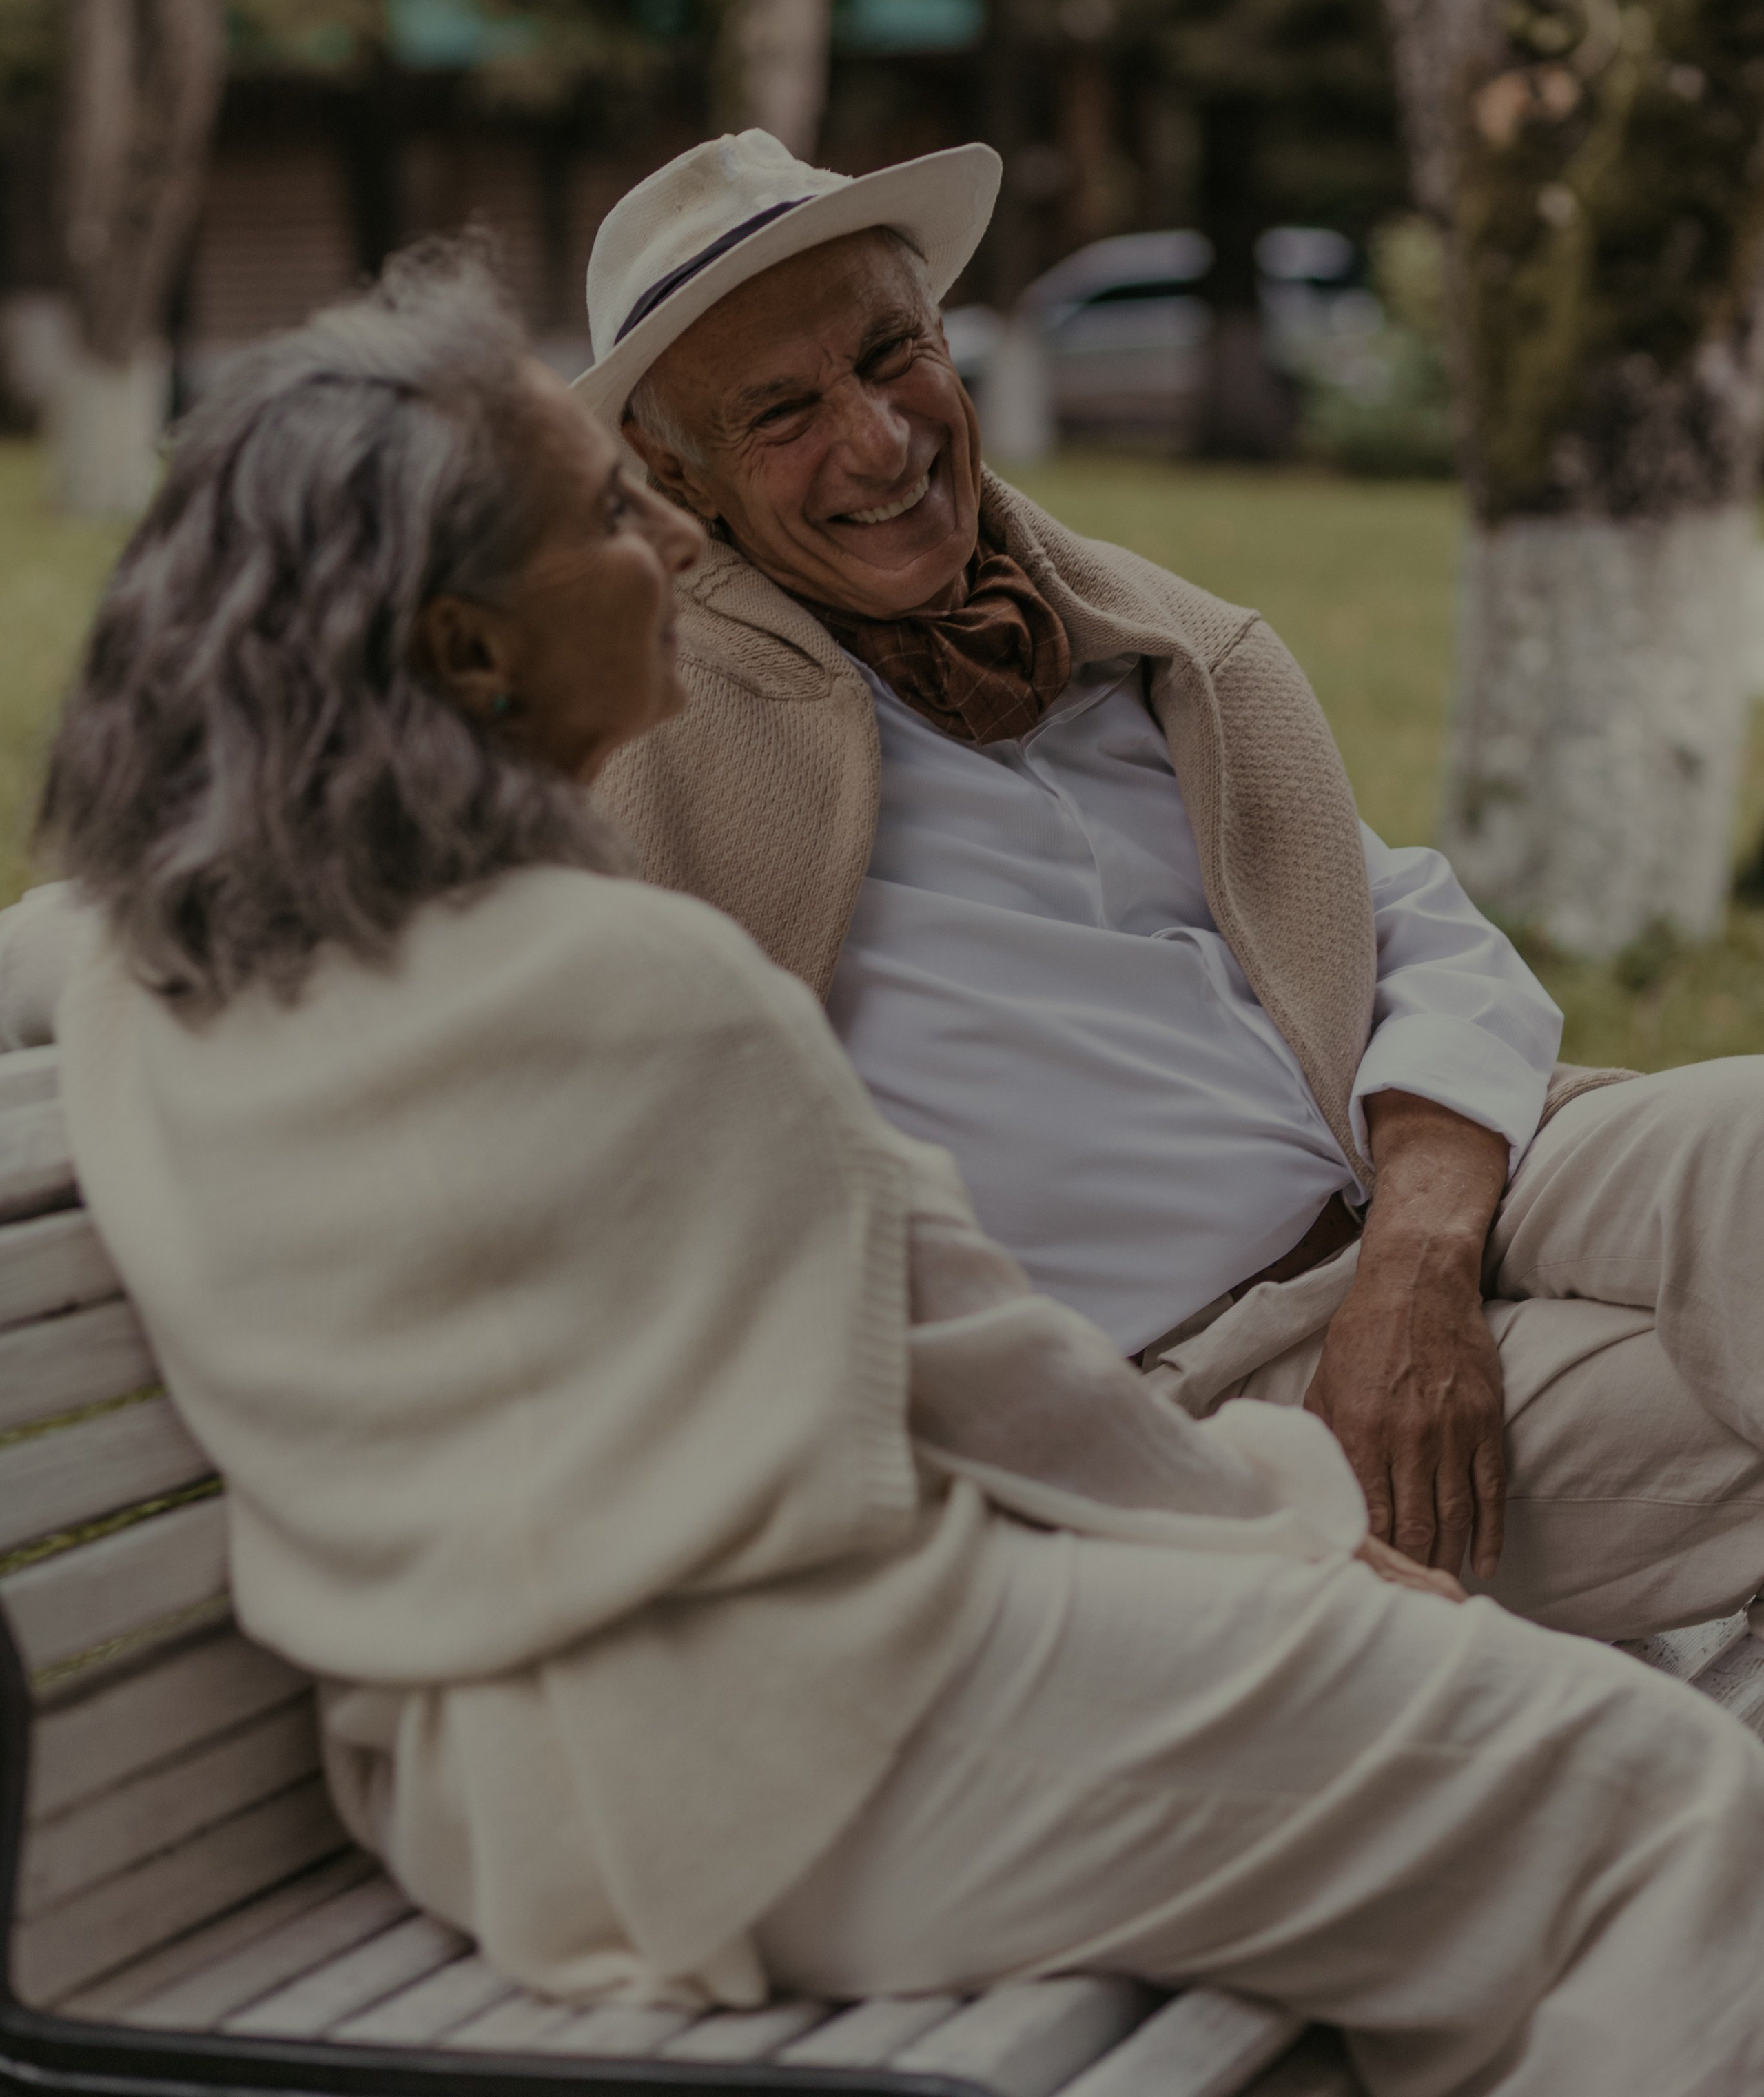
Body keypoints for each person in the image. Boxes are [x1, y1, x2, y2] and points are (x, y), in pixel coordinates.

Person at [7, 245, 1764, 2097]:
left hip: (527, 1781)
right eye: (614, 512)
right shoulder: (642, 982)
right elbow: (1010, 1397)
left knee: (1558, 1784)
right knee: (1670, 1806)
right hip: (808, 1733)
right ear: (468, 652)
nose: (674, 553)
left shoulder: (155, 962)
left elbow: (62, 933)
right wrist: (1320, 1552)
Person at [570, 125, 1764, 1642]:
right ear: (676, 478)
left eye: (892, 355)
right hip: (1214, 1385)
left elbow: (1388, 908)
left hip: (1453, 1187)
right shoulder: (661, 748)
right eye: (784, 413)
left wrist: (1417, 1243)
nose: (876, 442)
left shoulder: (1116, 633)